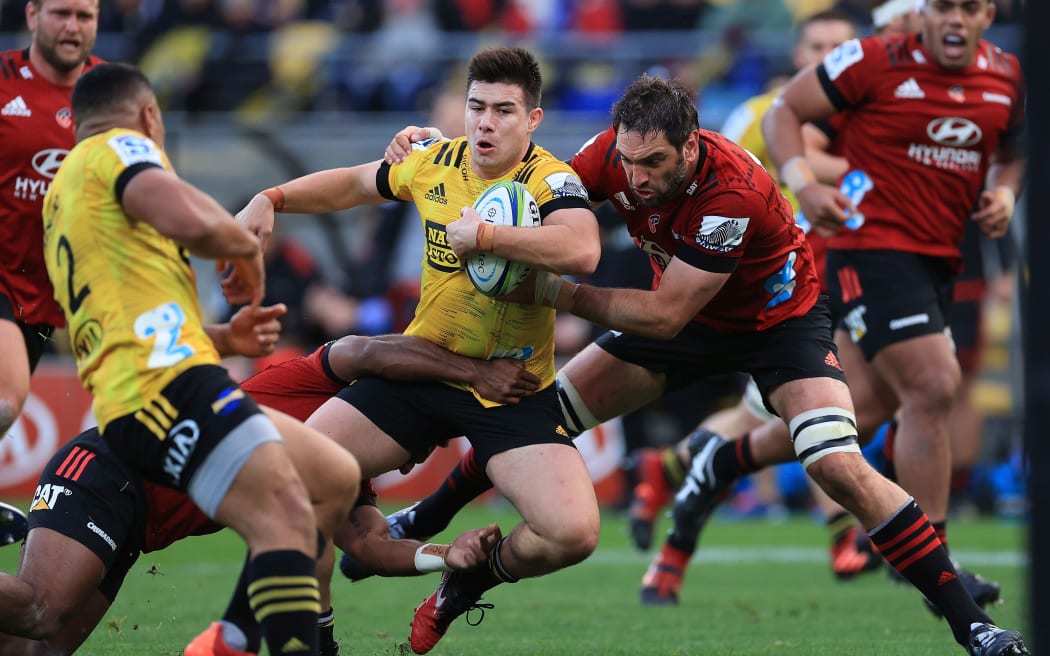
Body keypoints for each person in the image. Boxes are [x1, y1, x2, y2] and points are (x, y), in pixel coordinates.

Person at [388, 73, 1028, 655]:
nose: (635, 179)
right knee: (538, 415)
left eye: (654, 163)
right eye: (628, 162)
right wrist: (439, 151)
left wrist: (556, 292)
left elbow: (665, 315)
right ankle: (425, 519)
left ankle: (974, 626)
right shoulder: (610, 154)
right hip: (688, 317)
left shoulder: (733, 191)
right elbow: (525, 192)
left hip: (777, 326)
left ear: (689, 146)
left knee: (839, 465)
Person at [234, 46, 602, 655]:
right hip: (422, 369)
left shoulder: (549, 179)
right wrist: (271, 198)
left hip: (510, 388)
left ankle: (465, 583)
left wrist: (483, 236)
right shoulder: (434, 161)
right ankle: (317, 638)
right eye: (477, 107)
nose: (486, 123)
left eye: (504, 111)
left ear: (532, 120)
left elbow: (583, 250)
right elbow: (353, 184)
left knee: (572, 534)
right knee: (295, 478)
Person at [39, 62, 362, 656]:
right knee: (286, 518)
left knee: (332, 477)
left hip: (159, 384)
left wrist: (223, 336)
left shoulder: (68, 194)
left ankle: (229, 639)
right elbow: (191, 219)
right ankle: (236, 644)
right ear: (148, 116)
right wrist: (246, 249)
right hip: (161, 394)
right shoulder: (118, 150)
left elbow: (128, 316)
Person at [0, 329, 533, 656]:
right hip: (106, 470)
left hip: (138, 525)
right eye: (418, 440)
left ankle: (241, 637)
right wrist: (476, 373)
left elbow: (369, 548)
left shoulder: (339, 476)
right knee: (40, 611)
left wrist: (449, 555)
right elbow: (362, 349)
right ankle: (241, 638)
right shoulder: (320, 384)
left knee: (32, 650)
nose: (415, 457)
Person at [0, 0, 102, 440]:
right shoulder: (2, 80)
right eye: (61, 13)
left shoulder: (112, 91)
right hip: (2, 275)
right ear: (31, 16)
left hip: (54, 289)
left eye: (85, 16)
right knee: (6, 398)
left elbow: (148, 179)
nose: (72, 27)